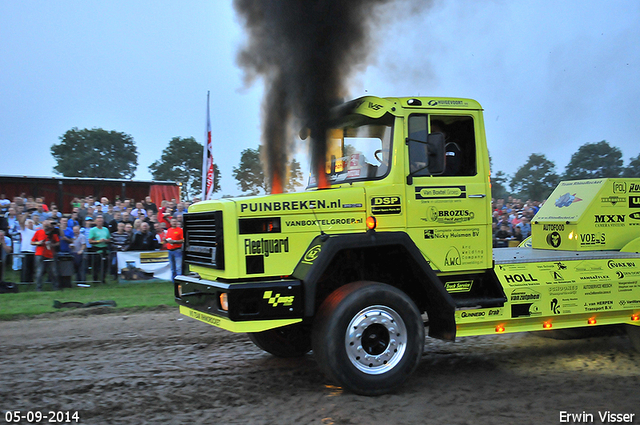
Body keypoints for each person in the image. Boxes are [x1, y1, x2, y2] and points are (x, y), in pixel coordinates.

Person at [31, 219, 60, 291]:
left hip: (50, 254)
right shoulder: (38, 232)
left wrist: (52, 244)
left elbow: (58, 242)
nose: (47, 226)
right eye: (46, 224)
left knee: (53, 271)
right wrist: (38, 243)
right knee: (39, 272)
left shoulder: (53, 233)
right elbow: (32, 242)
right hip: (40, 253)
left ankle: (56, 287)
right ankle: (38, 288)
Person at [88, 216, 111, 283]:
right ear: (96, 222)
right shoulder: (93, 230)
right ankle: (95, 279)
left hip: (104, 248)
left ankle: (103, 279)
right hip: (96, 248)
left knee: (104, 265)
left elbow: (109, 239)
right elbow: (90, 241)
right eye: (98, 221)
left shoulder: (106, 229)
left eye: (101, 221)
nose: (100, 223)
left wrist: (106, 240)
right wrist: (98, 241)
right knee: (96, 265)